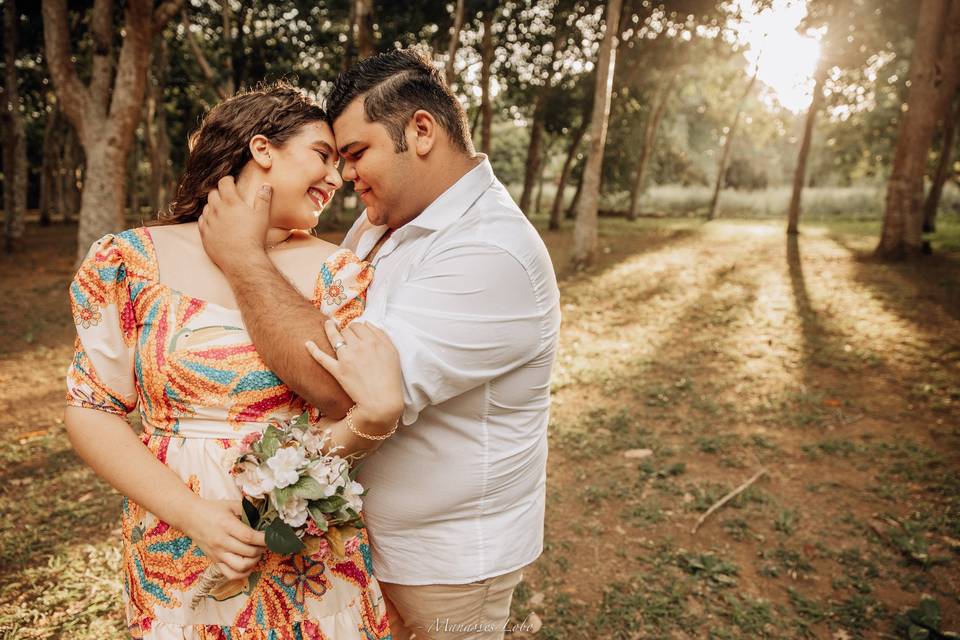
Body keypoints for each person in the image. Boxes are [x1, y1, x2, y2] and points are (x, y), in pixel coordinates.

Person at [200, 49, 562, 640]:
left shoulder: (491, 254)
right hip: (364, 546)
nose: (344, 176)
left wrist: (242, 258)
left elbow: (339, 386)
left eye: (356, 153)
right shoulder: (380, 221)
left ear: (420, 131)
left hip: (444, 563)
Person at [64, 83, 401, 639]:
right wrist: (192, 514)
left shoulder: (336, 273)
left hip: (306, 555)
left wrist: (245, 258)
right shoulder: (128, 261)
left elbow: (340, 400)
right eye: (322, 155)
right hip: (176, 547)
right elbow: (90, 407)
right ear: (263, 149)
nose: (337, 179)